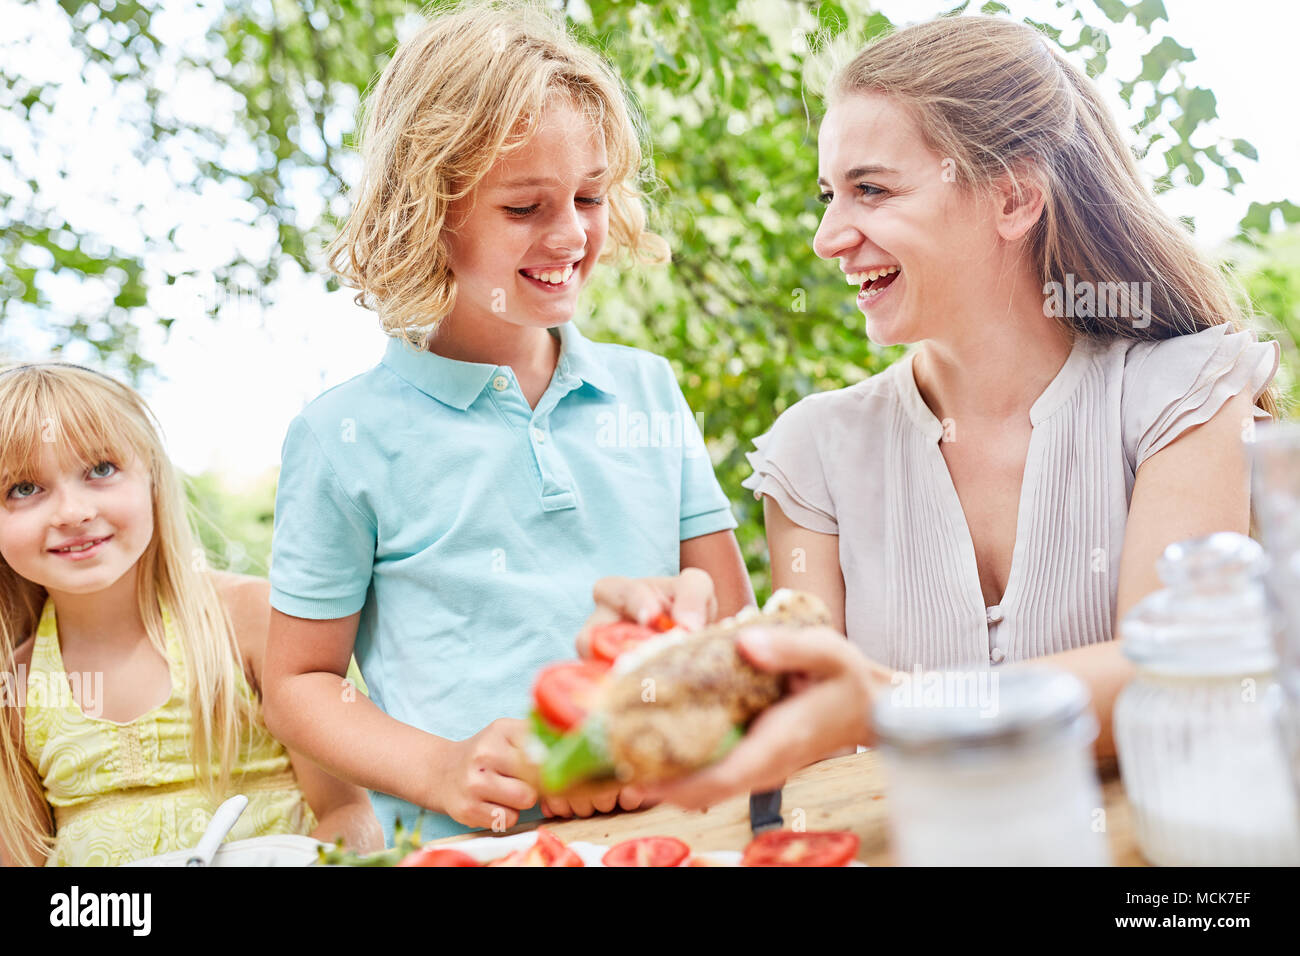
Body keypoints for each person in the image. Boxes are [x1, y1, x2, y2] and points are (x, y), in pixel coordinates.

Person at [578, 15, 1281, 809]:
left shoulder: (1185, 394)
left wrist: (886, 701)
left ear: (1013, 198)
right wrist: (672, 663)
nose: (826, 236)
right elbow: (806, 718)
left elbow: (1165, 677)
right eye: (828, 195)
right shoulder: (816, 454)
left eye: (870, 189)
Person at [262, 1, 751, 846]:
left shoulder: (648, 392)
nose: (570, 234)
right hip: (476, 849)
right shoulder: (344, 436)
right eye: (524, 208)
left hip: (674, 829)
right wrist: (441, 767)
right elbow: (299, 683)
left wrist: (688, 634)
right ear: (426, 212)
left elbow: (736, 630)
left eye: (590, 196)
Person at [0, 363, 380, 866]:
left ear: (153, 478)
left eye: (100, 469)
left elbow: (353, 817)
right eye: (23, 489)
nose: (73, 512)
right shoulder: (16, 684)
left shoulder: (250, 620)